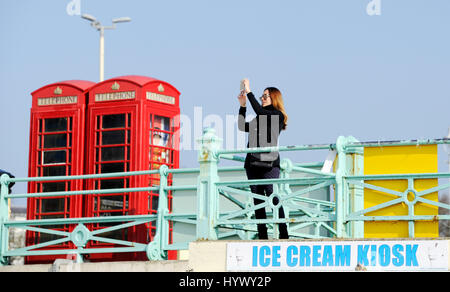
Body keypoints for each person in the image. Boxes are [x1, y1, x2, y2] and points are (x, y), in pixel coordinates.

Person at [237, 78, 289, 239]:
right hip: (252, 163)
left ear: (274, 98)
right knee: (257, 200)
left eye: (265, 96)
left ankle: (283, 233)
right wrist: (243, 106)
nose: (262, 98)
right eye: (261, 96)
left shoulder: (277, 115)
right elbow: (241, 126)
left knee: (273, 196)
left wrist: (249, 90)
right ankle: (262, 236)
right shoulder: (260, 117)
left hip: (269, 163)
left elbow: (261, 111)